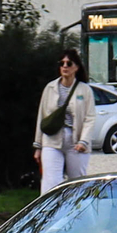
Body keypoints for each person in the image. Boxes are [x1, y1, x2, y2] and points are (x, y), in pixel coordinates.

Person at [34, 48, 94, 192]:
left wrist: (83, 141)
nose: (65, 66)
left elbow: (90, 118)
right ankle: (49, 213)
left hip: (75, 141)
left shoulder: (84, 90)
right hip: (52, 140)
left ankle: (79, 213)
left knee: (77, 183)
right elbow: (42, 117)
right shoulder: (50, 88)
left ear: (76, 67)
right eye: (62, 63)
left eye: (69, 63)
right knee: (50, 182)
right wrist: (38, 146)